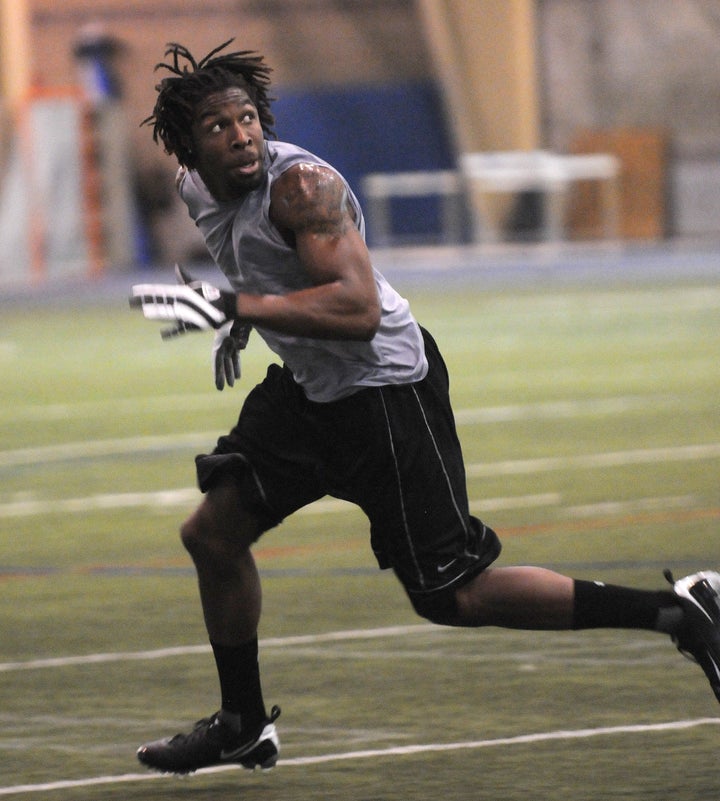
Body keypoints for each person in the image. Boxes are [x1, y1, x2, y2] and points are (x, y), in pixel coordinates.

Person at [130, 39, 720, 776]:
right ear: (189, 147)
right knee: (213, 535)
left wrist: (233, 306)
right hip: (311, 390)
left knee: (455, 594)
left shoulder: (301, 187)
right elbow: (261, 264)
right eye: (219, 127)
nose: (241, 136)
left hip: (384, 392)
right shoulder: (195, 187)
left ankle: (682, 613)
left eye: (248, 118)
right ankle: (243, 724)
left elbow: (358, 310)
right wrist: (246, 315)